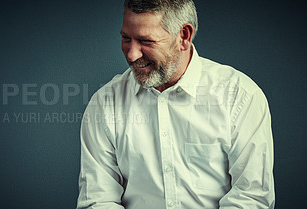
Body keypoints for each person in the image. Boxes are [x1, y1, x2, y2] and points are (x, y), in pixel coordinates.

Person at [77, 0, 275, 208]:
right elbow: (97, 200)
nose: (132, 54)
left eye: (146, 41)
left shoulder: (240, 97)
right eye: (126, 38)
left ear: (184, 37)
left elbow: (251, 198)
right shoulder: (105, 103)